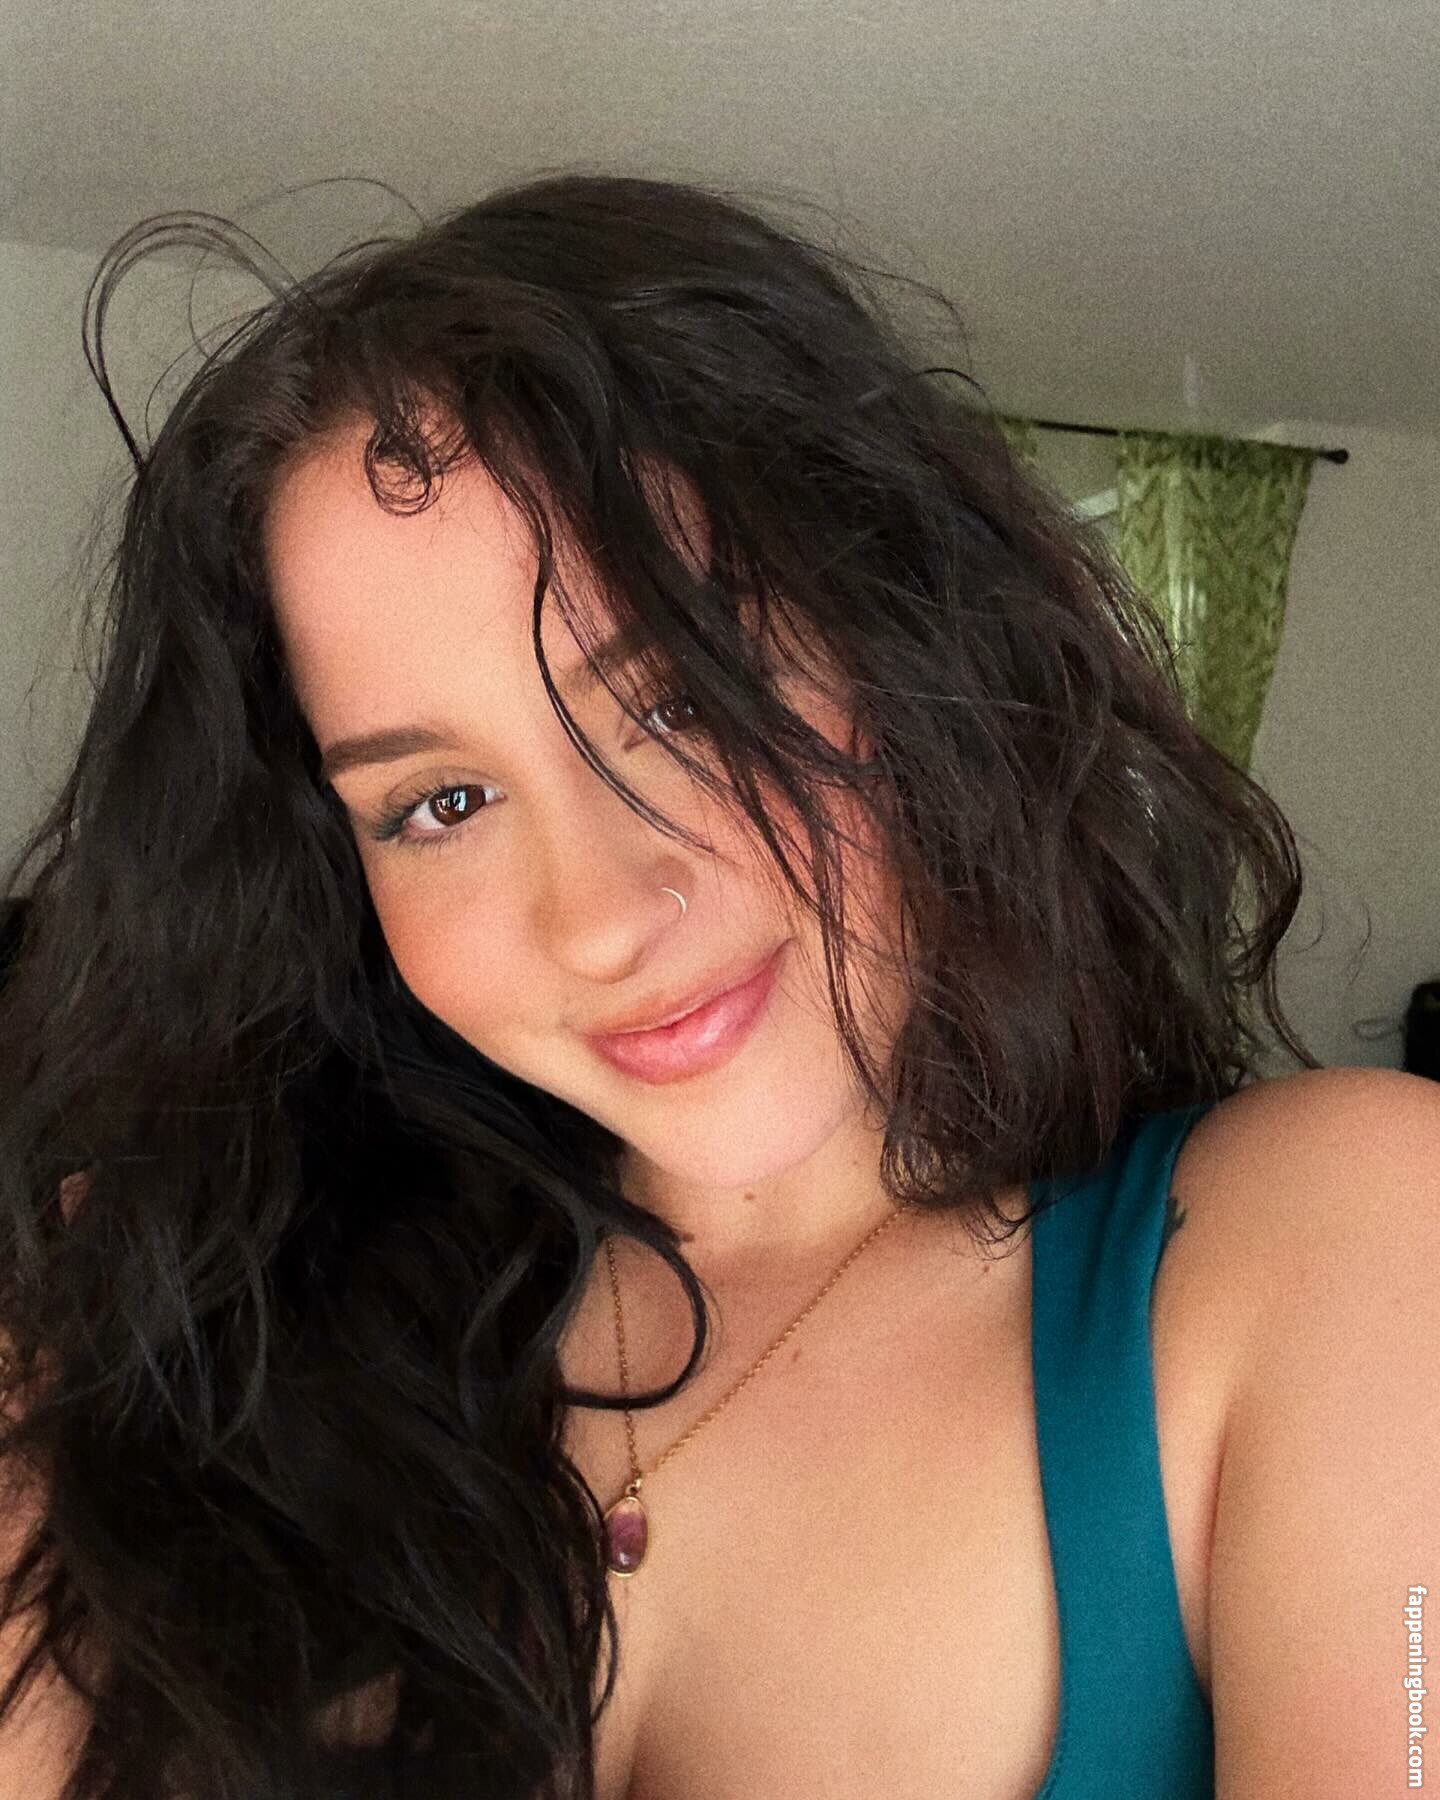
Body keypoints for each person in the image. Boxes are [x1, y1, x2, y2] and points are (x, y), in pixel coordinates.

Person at [0, 170, 1434, 1800]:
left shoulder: (1333, 1237)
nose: (602, 918)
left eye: (682, 702)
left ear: (913, 647)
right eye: (441, 803)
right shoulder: (187, 1333)